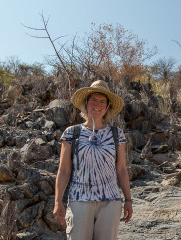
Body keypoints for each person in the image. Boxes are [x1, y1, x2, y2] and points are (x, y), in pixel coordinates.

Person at [53, 80, 133, 240]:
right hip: (79, 200)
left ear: (108, 106)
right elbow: (64, 170)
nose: (97, 105)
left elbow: (122, 169)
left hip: (110, 202)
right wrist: (57, 202)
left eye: (102, 101)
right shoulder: (71, 133)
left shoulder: (117, 134)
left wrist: (128, 200)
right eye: (93, 100)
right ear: (86, 103)